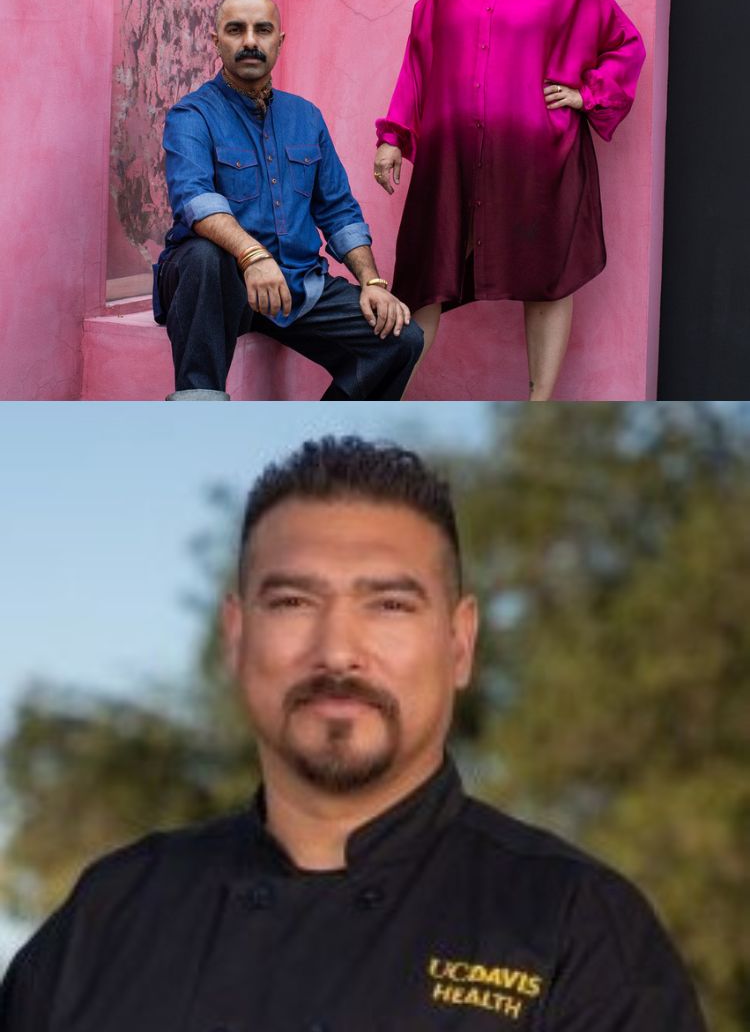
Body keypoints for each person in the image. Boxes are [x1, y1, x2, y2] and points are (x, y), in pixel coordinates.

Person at [0, 437, 708, 1031]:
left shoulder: (575, 928)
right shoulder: (111, 914)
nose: (337, 651)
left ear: (459, 644)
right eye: (293, 601)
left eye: (390, 605)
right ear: (236, 636)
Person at [374, 0, 646, 400]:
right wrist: (393, 137)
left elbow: (625, 45)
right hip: (450, 158)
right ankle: (390, 398)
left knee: (546, 275)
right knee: (426, 272)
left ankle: (539, 405)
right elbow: (417, 64)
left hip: (540, 156)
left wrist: (585, 95)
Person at [154, 0, 422, 400]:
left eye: (262, 30)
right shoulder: (192, 115)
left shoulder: (305, 117)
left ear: (279, 41)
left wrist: (371, 281)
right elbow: (195, 200)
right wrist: (253, 256)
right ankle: (198, 417)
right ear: (216, 41)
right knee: (205, 256)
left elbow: (338, 211)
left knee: (401, 340)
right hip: (214, 287)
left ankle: (323, 448)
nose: (249, 41)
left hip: (297, 283)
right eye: (235, 30)